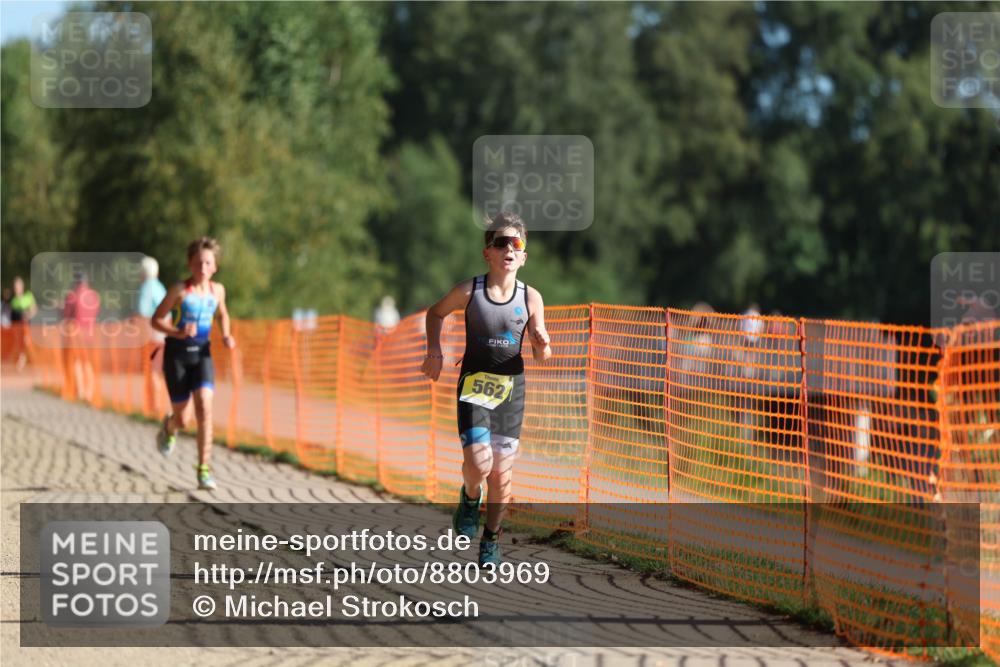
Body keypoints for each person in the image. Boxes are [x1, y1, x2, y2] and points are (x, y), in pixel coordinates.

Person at [421, 212, 551, 566]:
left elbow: (543, 355)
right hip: (476, 385)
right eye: (501, 242)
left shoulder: (531, 298)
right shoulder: (470, 291)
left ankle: (492, 537)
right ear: (487, 253)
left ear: (523, 256)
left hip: (512, 391)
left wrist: (541, 342)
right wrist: (434, 349)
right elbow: (435, 313)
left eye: (516, 244)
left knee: (501, 473)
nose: (509, 248)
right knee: (479, 464)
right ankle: (469, 496)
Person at [151, 237, 236, 491]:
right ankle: (169, 427)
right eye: (198, 262)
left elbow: (222, 313)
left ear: (214, 267)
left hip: (202, 354)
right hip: (177, 356)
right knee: (184, 419)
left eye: (207, 262)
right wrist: (177, 332)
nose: (202, 267)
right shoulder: (179, 290)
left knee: (205, 408)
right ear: (190, 264)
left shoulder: (217, 290)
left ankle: (203, 470)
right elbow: (156, 320)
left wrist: (226, 334)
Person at [136, 256, 168, 415]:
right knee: (157, 371)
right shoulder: (159, 287)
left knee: (153, 371)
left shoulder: (147, 288)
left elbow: (142, 313)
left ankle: (154, 407)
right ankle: (156, 405)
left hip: (153, 337)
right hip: (163, 336)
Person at [62, 272, 101, 401]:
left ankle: (80, 391)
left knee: (77, 362)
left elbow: (66, 314)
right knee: (88, 362)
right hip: (90, 333)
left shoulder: (72, 295)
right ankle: (89, 392)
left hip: (76, 333)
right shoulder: (94, 295)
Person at [9, 276, 37, 371]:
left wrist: (27, 315)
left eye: (18, 286)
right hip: (16, 328)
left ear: (22, 286)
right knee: (19, 344)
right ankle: (21, 361)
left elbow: (34, 310)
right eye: (15, 286)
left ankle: (29, 361)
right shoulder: (13, 301)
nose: (17, 288)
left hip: (28, 327)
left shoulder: (28, 296)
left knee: (27, 342)